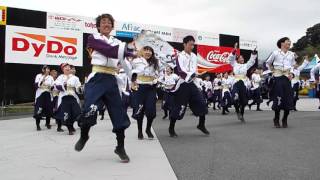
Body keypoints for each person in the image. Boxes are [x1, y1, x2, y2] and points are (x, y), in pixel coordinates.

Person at [74, 14, 135, 163]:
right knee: (90, 108)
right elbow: (108, 50)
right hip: (97, 78)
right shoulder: (93, 38)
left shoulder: (118, 42)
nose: (106, 24)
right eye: (103, 22)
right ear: (99, 26)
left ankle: (120, 147)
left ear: (112, 26)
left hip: (111, 80)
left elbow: (124, 62)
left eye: (109, 22)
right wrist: (131, 52)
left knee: (119, 113)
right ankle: (84, 135)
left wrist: (132, 77)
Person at [168, 35, 209, 137]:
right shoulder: (180, 56)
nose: (192, 47)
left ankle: (201, 124)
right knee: (179, 107)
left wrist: (197, 83)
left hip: (193, 84)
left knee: (202, 103)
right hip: (183, 84)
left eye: (193, 45)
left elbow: (195, 71)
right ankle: (171, 127)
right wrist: (191, 75)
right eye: (190, 45)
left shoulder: (194, 56)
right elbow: (181, 71)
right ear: (184, 44)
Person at [124, 46, 159, 140]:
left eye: (150, 51)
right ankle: (140, 130)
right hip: (140, 87)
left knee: (151, 111)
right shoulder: (135, 61)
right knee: (140, 110)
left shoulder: (155, 62)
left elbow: (158, 73)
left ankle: (148, 129)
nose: (148, 52)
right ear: (142, 52)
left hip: (151, 87)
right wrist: (132, 81)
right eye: (146, 50)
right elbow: (128, 72)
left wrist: (156, 80)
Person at [266, 37, 296, 128]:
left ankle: (285, 119)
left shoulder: (292, 54)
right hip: (277, 78)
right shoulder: (275, 53)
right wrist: (272, 71)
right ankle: (276, 118)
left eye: (290, 42)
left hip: (287, 78)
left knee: (288, 99)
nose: (289, 43)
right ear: (282, 43)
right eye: (287, 42)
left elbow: (293, 65)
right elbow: (268, 63)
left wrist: (292, 73)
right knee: (278, 99)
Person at [228, 43, 257, 122]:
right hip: (236, 82)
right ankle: (237, 111)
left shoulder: (246, 65)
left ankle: (241, 113)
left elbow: (251, 61)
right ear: (237, 59)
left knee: (244, 102)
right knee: (234, 98)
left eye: (243, 58)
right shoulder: (234, 64)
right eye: (240, 58)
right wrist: (234, 50)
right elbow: (231, 59)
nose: (242, 59)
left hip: (243, 83)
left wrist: (253, 53)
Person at [54, 63, 82, 135]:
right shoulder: (60, 77)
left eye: (69, 67)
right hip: (64, 97)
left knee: (76, 112)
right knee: (66, 114)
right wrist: (64, 86)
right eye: (65, 67)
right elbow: (56, 86)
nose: (67, 68)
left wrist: (80, 89)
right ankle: (70, 128)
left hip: (72, 97)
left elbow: (78, 87)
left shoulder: (75, 78)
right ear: (62, 69)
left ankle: (71, 125)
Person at [33, 65, 54, 131]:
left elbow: (53, 85)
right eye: (46, 69)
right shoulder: (38, 76)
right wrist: (43, 78)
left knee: (48, 109)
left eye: (48, 69)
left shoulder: (50, 77)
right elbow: (36, 85)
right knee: (39, 109)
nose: (48, 70)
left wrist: (52, 87)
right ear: (43, 70)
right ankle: (38, 125)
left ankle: (47, 123)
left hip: (48, 94)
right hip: (40, 95)